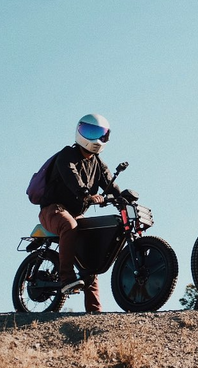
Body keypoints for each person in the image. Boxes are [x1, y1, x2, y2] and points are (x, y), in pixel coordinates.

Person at [37, 114, 120, 313]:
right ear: (79, 132)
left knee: (90, 256)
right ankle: (66, 278)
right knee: (69, 225)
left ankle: (95, 312)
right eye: (90, 132)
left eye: (100, 134)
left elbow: (109, 184)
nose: (95, 138)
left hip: (75, 213)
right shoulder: (67, 155)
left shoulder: (97, 163)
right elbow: (71, 176)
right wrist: (87, 194)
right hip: (53, 209)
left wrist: (122, 197)